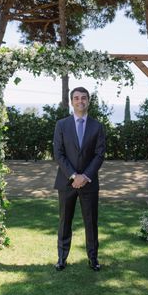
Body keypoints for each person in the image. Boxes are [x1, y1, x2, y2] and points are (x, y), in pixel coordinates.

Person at [53, 87, 106, 272]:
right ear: (71, 101)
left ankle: (93, 259)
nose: (80, 101)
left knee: (91, 223)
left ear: (88, 101)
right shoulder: (61, 125)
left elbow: (99, 155)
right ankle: (61, 258)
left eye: (83, 98)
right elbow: (58, 154)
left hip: (89, 183)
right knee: (64, 221)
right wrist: (74, 176)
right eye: (76, 98)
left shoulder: (97, 126)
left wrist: (85, 176)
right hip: (67, 182)